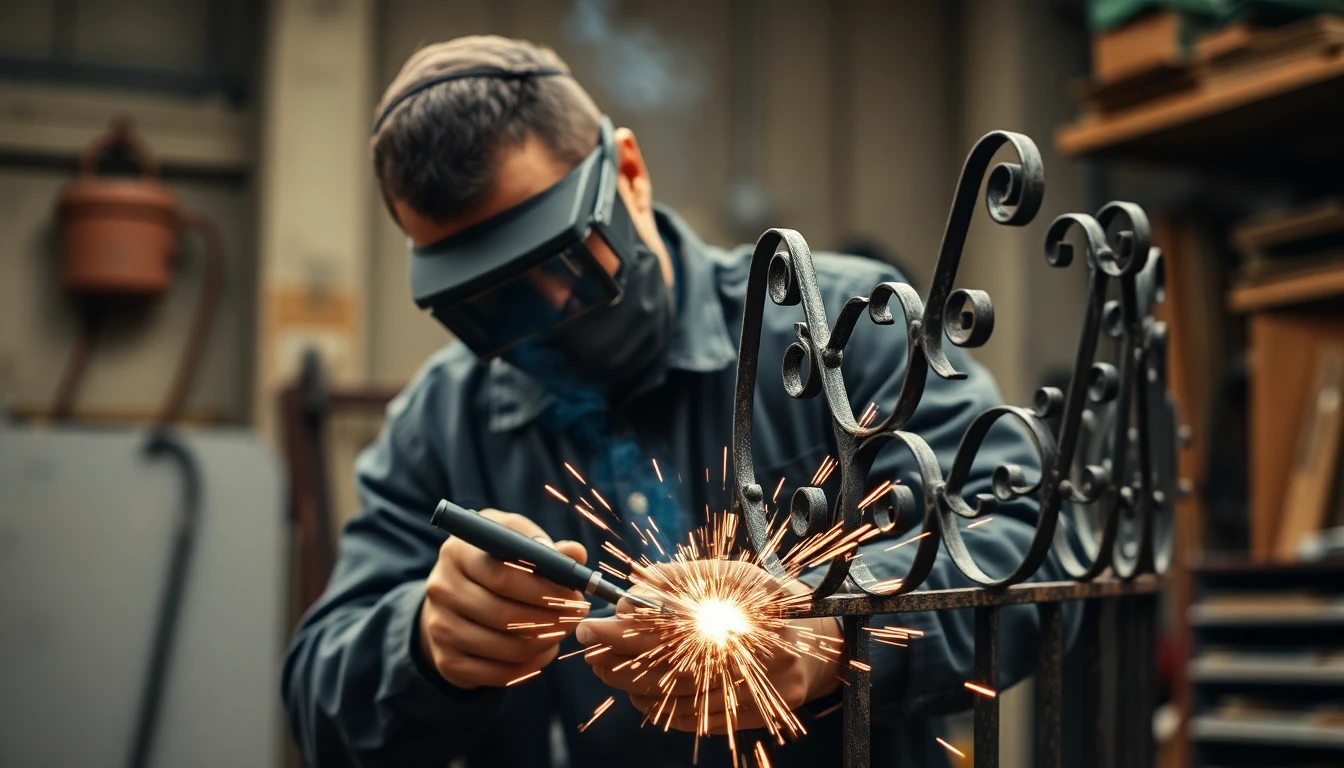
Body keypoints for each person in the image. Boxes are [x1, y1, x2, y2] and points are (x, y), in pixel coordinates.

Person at [282, 35, 1078, 768]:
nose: (546, 310)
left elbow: (1034, 542)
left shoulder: (844, 330)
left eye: (563, 257)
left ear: (627, 170)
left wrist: (832, 629)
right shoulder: (439, 424)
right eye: (490, 303)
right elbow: (319, 697)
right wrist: (423, 646)